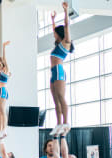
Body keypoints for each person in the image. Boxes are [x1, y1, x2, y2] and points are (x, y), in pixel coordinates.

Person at [49, 2, 75, 136]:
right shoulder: (58, 44)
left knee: (61, 97)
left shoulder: (66, 43)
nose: (54, 34)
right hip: (53, 72)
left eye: (55, 33)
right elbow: (55, 30)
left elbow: (66, 26)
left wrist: (65, 11)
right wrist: (52, 20)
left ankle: (66, 121)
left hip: (59, 70)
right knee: (55, 100)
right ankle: (58, 123)